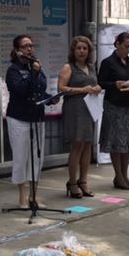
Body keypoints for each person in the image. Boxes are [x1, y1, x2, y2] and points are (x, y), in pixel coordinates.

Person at [5, 34, 50, 208]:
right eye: (25, 46)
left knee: (37, 157)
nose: (29, 49)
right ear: (17, 51)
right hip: (19, 118)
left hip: (37, 116)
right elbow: (22, 91)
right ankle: (22, 197)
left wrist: (50, 98)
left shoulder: (36, 66)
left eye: (31, 45)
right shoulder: (13, 70)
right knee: (21, 157)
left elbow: (40, 89)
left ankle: (34, 195)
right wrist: (34, 73)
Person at [57, 35, 101, 198]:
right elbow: (61, 88)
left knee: (88, 145)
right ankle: (72, 182)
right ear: (73, 51)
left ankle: (83, 181)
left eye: (85, 48)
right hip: (75, 109)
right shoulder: (68, 67)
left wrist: (96, 88)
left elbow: (93, 84)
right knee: (77, 145)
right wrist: (82, 90)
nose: (82, 51)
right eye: (79, 48)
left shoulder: (91, 67)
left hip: (90, 108)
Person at [98, 31, 129, 190]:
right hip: (114, 105)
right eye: (125, 46)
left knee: (128, 141)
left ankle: (125, 174)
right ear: (117, 44)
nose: (128, 50)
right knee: (116, 141)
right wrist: (114, 84)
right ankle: (118, 175)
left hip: (128, 104)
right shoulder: (108, 62)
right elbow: (101, 82)